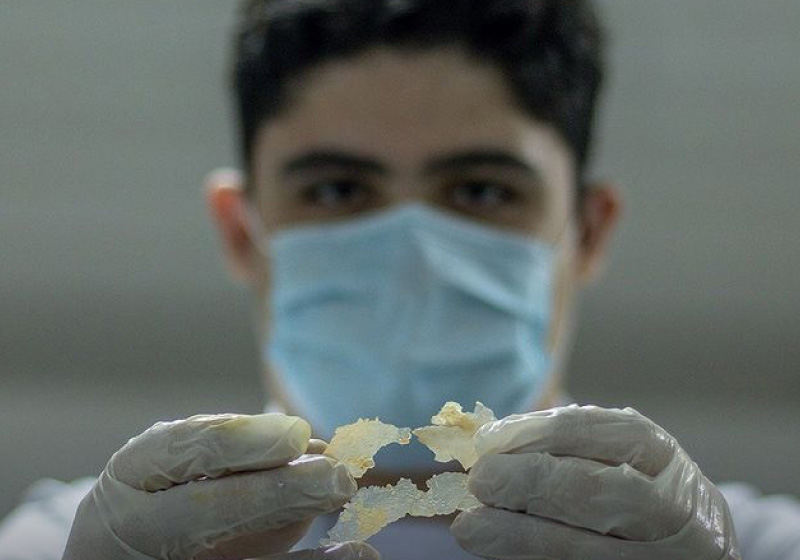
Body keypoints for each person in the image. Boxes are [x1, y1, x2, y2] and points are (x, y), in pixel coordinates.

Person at [1, 1, 799, 559]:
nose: (413, 251)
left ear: (587, 233)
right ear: (242, 233)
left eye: (481, 191)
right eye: (338, 191)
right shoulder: (66, 546)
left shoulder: (756, 547)